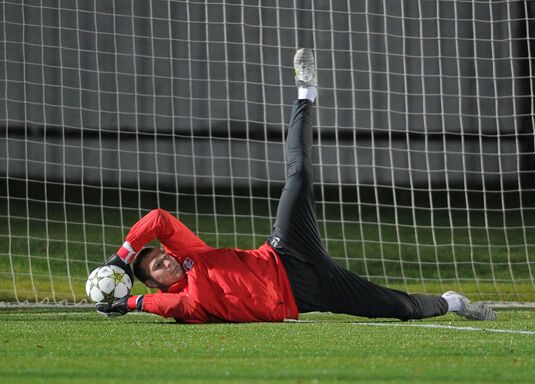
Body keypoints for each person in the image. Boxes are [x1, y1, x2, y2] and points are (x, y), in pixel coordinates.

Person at [95, 49, 496, 323]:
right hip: (306, 295)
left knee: (299, 176)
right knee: (396, 308)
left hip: (284, 250)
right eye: (155, 268)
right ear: (153, 283)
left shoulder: (191, 256)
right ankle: (451, 302)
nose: (165, 262)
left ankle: (305, 93)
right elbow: (166, 306)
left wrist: (122, 255)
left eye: (160, 257)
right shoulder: (186, 304)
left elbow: (160, 219)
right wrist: (129, 302)